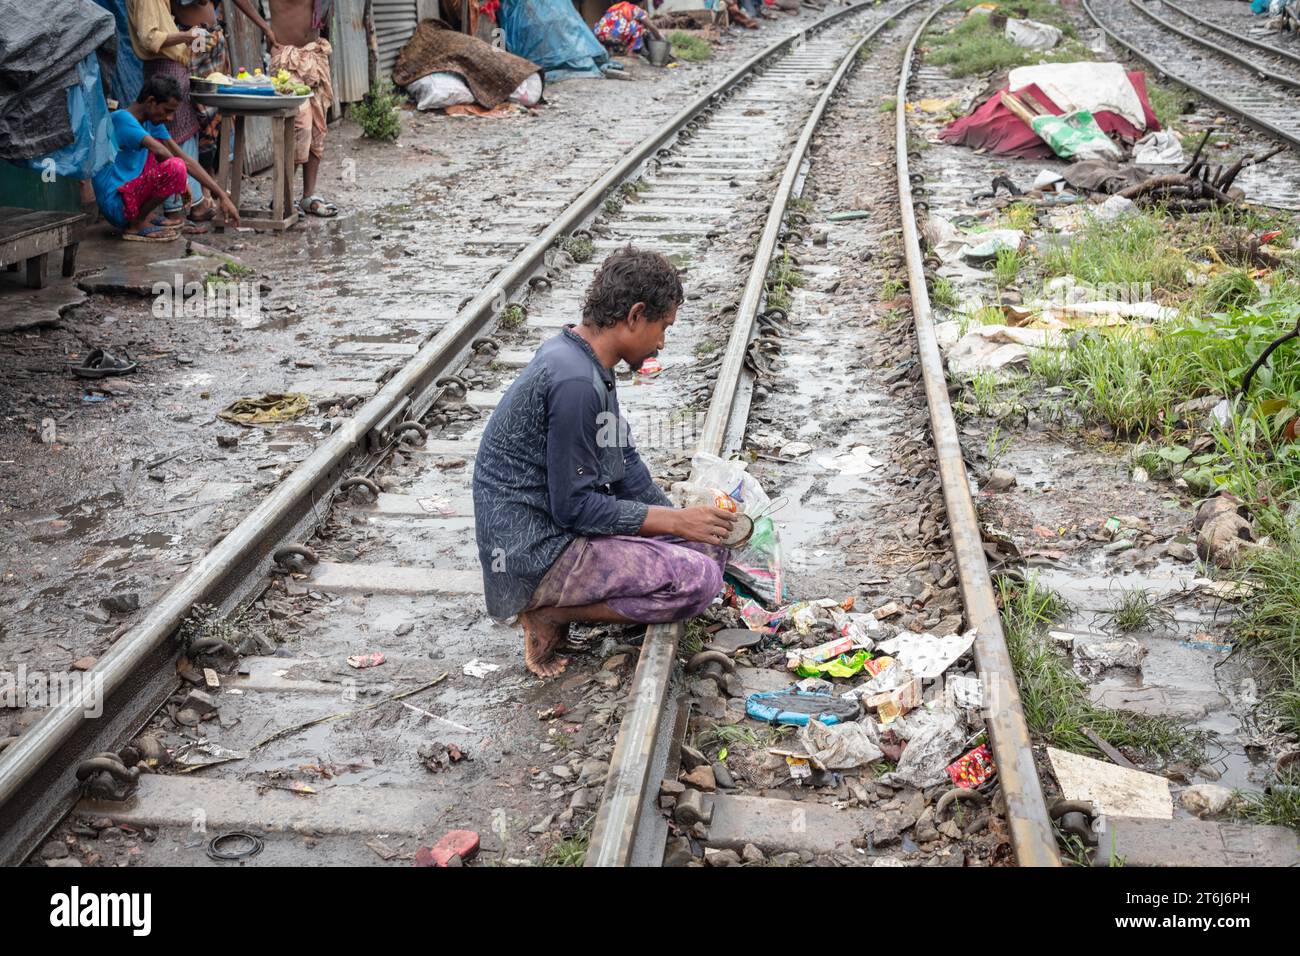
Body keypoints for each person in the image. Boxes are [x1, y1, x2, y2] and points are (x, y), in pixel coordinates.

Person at [473, 246, 737, 678]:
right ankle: (551, 612)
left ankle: (578, 602)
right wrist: (672, 524)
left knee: (707, 545)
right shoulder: (576, 382)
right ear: (635, 315)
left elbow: (624, 460)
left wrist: (680, 521)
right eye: (662, 327)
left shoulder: (583, 358)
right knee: (698, 581)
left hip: (557, 532)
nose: (661, 343)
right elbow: (573, 508)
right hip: (536, 552)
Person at [92, 75, 240, 241]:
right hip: (115, 204)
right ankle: (136, 224)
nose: (169, 118)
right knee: (174, 166)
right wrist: (182, 182)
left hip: (128, 196)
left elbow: (184, 159)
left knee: (175, 163)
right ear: (151, 101)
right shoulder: (122, 119)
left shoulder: (149, 121)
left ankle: (143, 217)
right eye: (167, 111)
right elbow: (164, 154)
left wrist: (221, 195)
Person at [231, 0, 338, 217]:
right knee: (301, 126)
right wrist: (266, 28)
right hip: (287, 59)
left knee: (318, 129)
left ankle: (308, 196)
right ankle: (281, 197)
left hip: (314, 56)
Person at [124, 0, 221, 228]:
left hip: (173, 65)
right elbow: (150, 38)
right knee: (172, 141)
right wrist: (187, 36)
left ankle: (194, 203)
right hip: (164, 67)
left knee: (183, 137)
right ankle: (178, 209)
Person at [594, 2, 664, 56]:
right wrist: (660, 40)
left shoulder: (620, 7)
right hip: (611, 35)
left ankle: (611, 50)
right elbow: (652, 27)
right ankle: (631, 51)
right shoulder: (638, 11)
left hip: (599, 34)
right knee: (639, 26)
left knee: (624, 24)